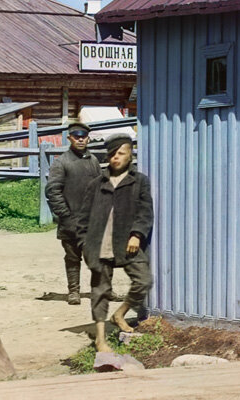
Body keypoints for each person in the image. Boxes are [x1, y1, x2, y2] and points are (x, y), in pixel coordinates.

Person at [79, 134, 153, 352]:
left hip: (127, 244)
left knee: (144, 280)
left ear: (130, 155)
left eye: (121, 153)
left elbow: (145, 211)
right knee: (100, 291)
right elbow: (83, 217)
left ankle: (120, 314)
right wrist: (84, 244)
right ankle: (100, 339)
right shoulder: (96, 184)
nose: (116, 158)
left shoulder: (139, 181)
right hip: (98, 245)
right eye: (112, 154)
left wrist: (137, 234)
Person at [44, 122, 101, 305]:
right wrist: (65, 215)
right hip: (70, 220)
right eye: (76, 136)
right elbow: (53, 191)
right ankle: (74, 292)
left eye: (83, 136)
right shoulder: (62, 162)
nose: (80, 139)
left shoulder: (93, 161)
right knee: (72, 257)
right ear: (69, 138)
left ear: (88, 138)